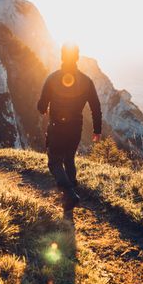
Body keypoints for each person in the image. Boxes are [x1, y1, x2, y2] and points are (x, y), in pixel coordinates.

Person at [37, 43, 102, 211]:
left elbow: (41, 106)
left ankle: (70, 194)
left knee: (54, 162)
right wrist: (97, 130)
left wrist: (44, 108)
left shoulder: (52, 78)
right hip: (76, 128)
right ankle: (73, 189)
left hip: (56, 127)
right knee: (69, 158)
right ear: (77, 58)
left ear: (61, 57)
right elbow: (96, 107)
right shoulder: (87, 81)